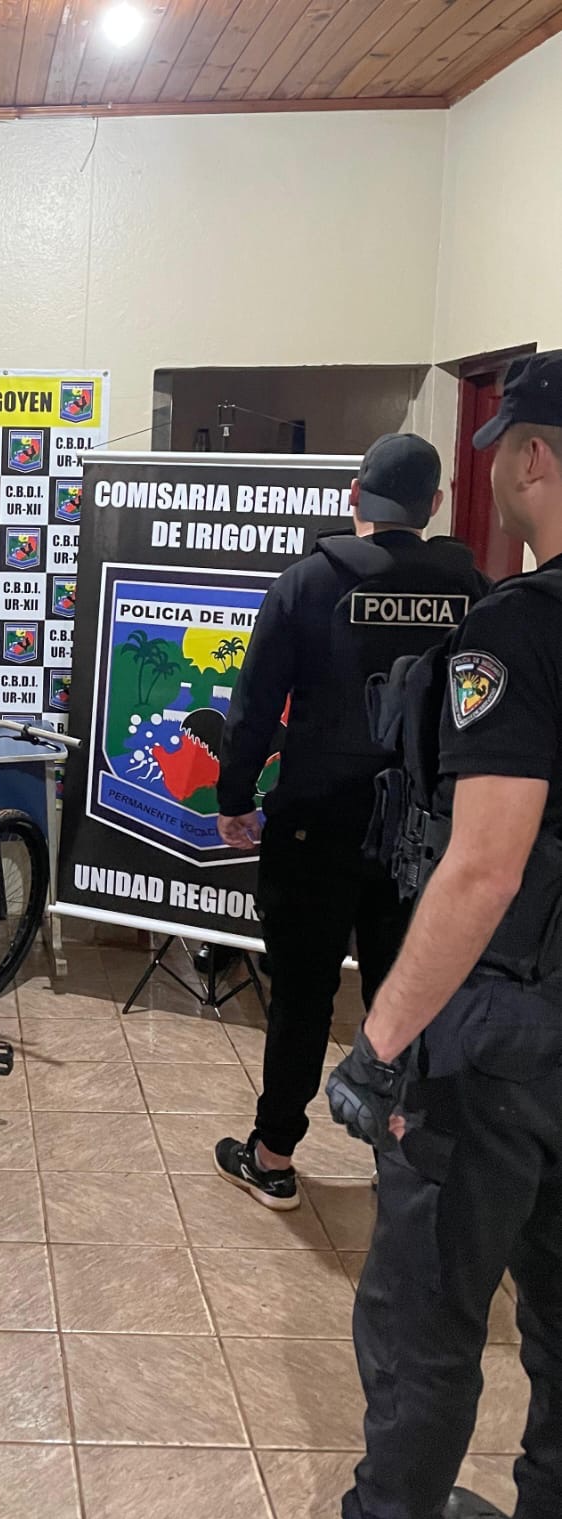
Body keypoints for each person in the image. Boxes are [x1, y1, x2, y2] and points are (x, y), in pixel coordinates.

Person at [230, 350, 562, 1519]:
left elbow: (482, 867)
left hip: (477, 988)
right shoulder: (466, 586)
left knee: (421, 1316)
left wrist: (375, 1054)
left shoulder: (501, 618)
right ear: (423, 502)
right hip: (470, 938)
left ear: (533, 455)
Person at [213, 434, 487, 1209]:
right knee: (411, 996)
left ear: (354, 496)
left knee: (301, 997)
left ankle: (272, 1157)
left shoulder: (307, 583)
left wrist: (234, 799)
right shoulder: (476, 592)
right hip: (426, 840)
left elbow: (254, 709)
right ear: (434, 505)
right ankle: (403, 1165)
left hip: (315, 829)